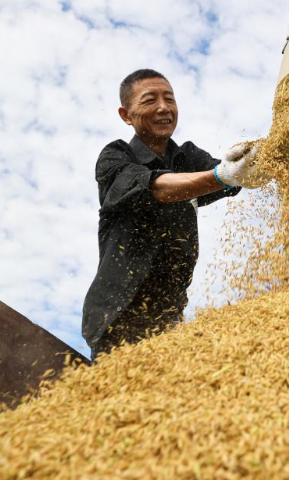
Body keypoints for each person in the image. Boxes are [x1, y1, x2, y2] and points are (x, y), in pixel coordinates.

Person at [82, 69, 268, 361]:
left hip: (169, 319)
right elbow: (156, 188)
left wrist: (259, 161)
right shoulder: (115, 157)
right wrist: (223, 176)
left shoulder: (187, 157)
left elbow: (228, 177)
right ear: (126, 115)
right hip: (118, 316)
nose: (163, 107)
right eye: (150, 100)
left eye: (170, 99)